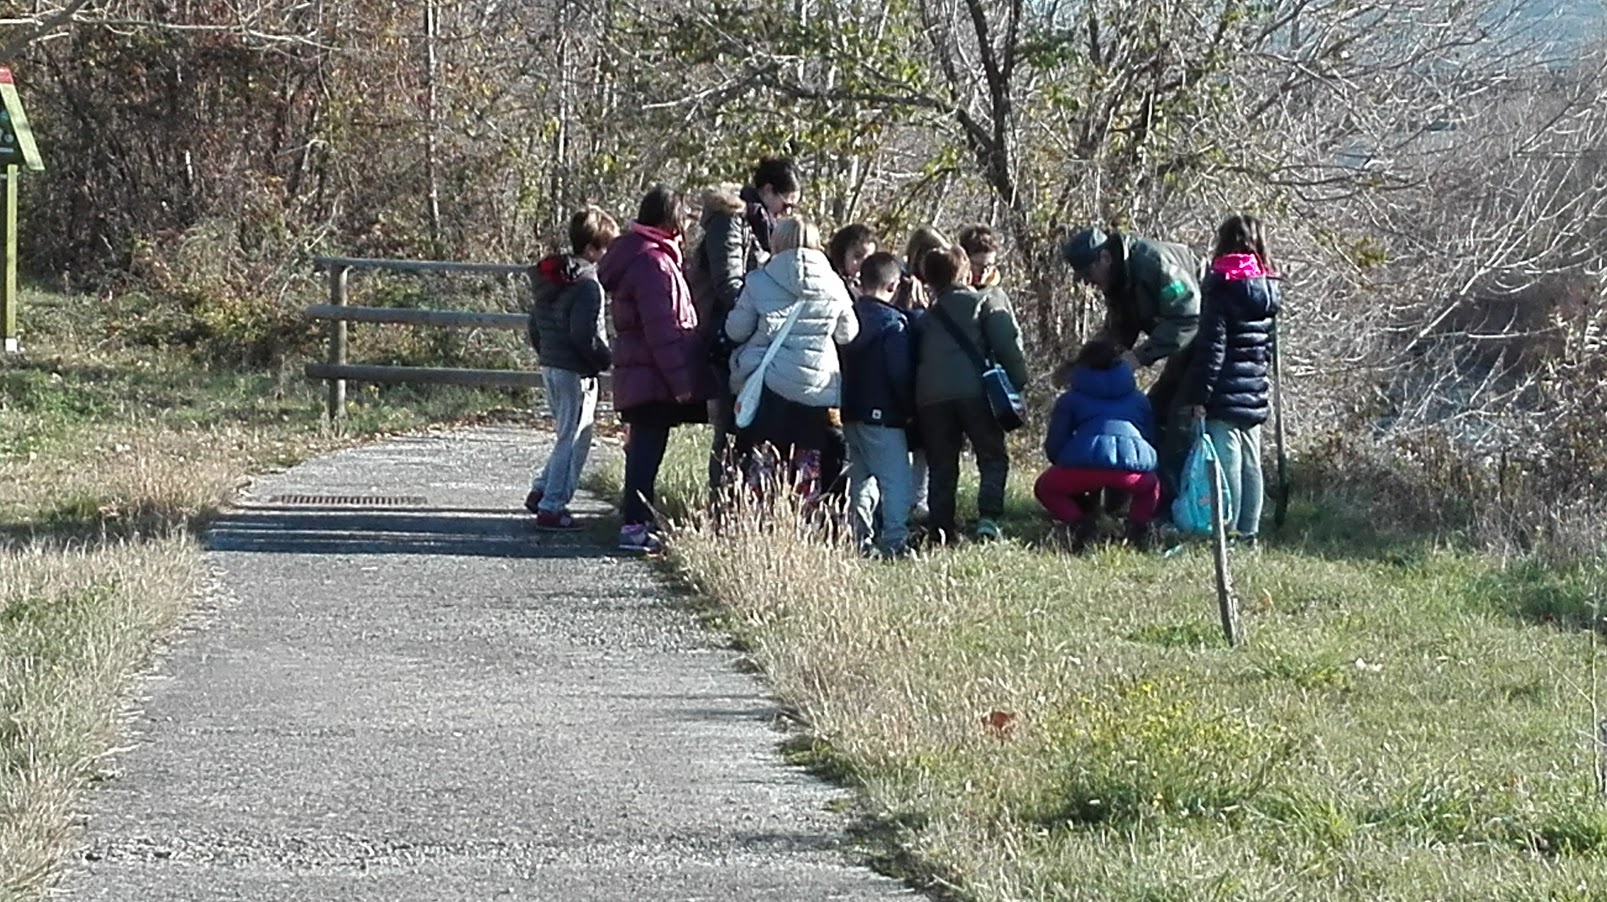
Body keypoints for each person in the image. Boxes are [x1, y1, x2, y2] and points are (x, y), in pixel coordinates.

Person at [597, 185, 715, 553]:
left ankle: (635, 520)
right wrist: (682, 382)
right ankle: (634, 525)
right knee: (647, 450)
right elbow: (663, 329)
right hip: (651, 372)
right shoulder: (653, 263)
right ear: (670, 219)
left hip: (640, 370)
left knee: (643, 447)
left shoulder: (640, 255)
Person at [1061, 226, 1202, 513]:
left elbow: (1189, 319)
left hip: (1204, 341)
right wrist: (1082, 364)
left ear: (1104, 258)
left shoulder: (1155, 264)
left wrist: (1139, 357)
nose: (1088, 283)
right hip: (1179, 344)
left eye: (1088, 274)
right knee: (1153, 412)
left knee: (1178, 420)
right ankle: (1123, 501)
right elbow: (1119, 330)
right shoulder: (1117, 280)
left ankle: (1168, 509)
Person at [689, 157, 803, 492]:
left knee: (750, 423)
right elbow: (728, 285)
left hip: (750, 332)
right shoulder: (732, 221)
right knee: (731, 423)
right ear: (768, 190)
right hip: (727, 332)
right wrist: (766, 303)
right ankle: (722, 500)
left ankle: (744, 499)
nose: (785, 212)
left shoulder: (758, 224)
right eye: (785, 203)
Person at [724, 215, 858, 497]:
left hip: (771, 385)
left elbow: (736, 330)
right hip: (818, 390)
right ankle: (804, 521)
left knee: (766, 459)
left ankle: (762, 521)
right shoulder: (834, 284)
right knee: (809, 462)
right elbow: (848, 333)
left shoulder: (759, 280)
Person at [913, 244, 1030, 544]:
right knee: (992, 456)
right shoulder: (982, 303)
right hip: (975, 394)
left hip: (931, 398)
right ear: (964, 272)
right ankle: (988, 519)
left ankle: (941, 530)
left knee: (942, 464)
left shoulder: (924, 318)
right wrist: (1018, 383)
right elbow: (1006, 345)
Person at [1184, 213, 1281, 548]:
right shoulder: (1267, 288)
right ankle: (1249, 535)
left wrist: (1199, 395)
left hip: (1224, 390)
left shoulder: (1222, 286)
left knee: (1227, 466)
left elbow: (1213, 349)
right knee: (1252, 464)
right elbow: (1266, 348)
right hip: (1254, 389)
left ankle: (1228, 536)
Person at [524, 206, 619, 529]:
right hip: (575, 371)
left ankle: (542, 489)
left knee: (565, 433)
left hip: (550, 364)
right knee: (576, 438)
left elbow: (533, 326)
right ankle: (553, 505)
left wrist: (546, 353)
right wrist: (605, 361)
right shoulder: (588, 285)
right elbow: (584, 334)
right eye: (607, 248)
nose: (608, 255)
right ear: (592, 249)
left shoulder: (550, 279)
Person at [1036, 338, 1161, 552]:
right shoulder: (1139, 399)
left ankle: (1079, 523)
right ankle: (1137, 530)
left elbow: (1055, 444)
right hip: (1130, 471)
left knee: (1045, 488)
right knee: (1151, 487)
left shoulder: (1070, 399)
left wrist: (1065, 463)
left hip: (1083, 468)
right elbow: (1149, 438)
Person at [838, 251, 915, 558]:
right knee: (896, 479)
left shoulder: (848, 317)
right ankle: (896, 540)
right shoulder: (894, 325)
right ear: (894, 285)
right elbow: (898, 372)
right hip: (883, 413)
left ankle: (859, 538)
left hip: (850, 411)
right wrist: (907, 407)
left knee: (861, 478)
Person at [896, 226, 947, 522]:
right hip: (908, 373)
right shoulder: (902, 283)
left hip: (927, 375)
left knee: (925, 445)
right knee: (907, 442)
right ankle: (906, 501)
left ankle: (919, 501)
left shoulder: (940, 288)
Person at [827, 223, 877, 293]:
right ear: (842, 252)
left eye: (868, 259)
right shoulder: (826, 279)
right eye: (857, 256)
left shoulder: (871, 289)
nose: (862, 263)